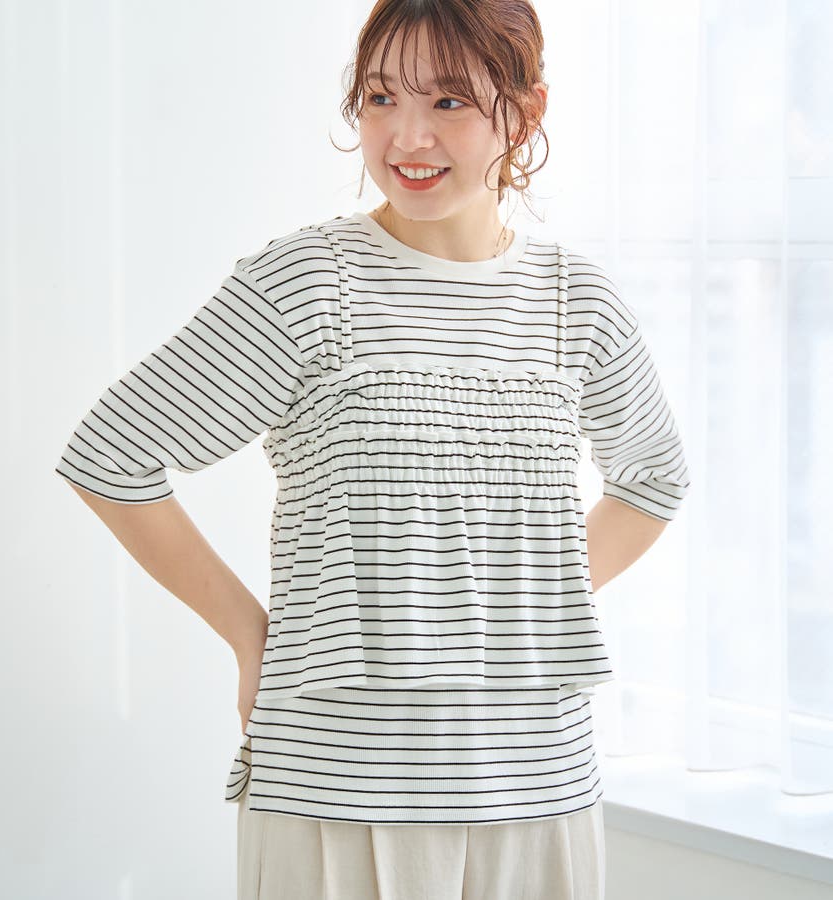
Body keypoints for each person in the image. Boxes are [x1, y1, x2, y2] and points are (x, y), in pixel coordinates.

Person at [55, 1, 690, 897]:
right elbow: (111, 456)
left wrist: (519, 596)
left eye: (449, 102)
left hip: (539, 786)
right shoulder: (309, 282)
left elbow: (654, 479)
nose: (407, 137)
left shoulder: (574, 301)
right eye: (382, 98)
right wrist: (250, 635)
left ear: (525, 112)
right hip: (335, 787)